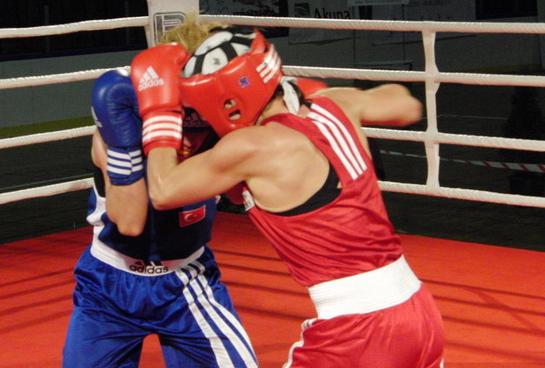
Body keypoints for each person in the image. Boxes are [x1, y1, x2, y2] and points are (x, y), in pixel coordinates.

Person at [129, 22, 446, 367]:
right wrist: (316, 93)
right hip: (419, 312)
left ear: (229, 101)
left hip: (358, 330)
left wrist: (160, 112)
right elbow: (406, 105)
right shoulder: (335, 105)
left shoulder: (251, 146)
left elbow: (163, 190)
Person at [62, 68, 258, 367]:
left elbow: (241, 197)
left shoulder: (219, 132)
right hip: (108, 286)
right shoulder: (112, 136)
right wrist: (126, 147)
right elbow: (129, 222)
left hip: (187, 280)